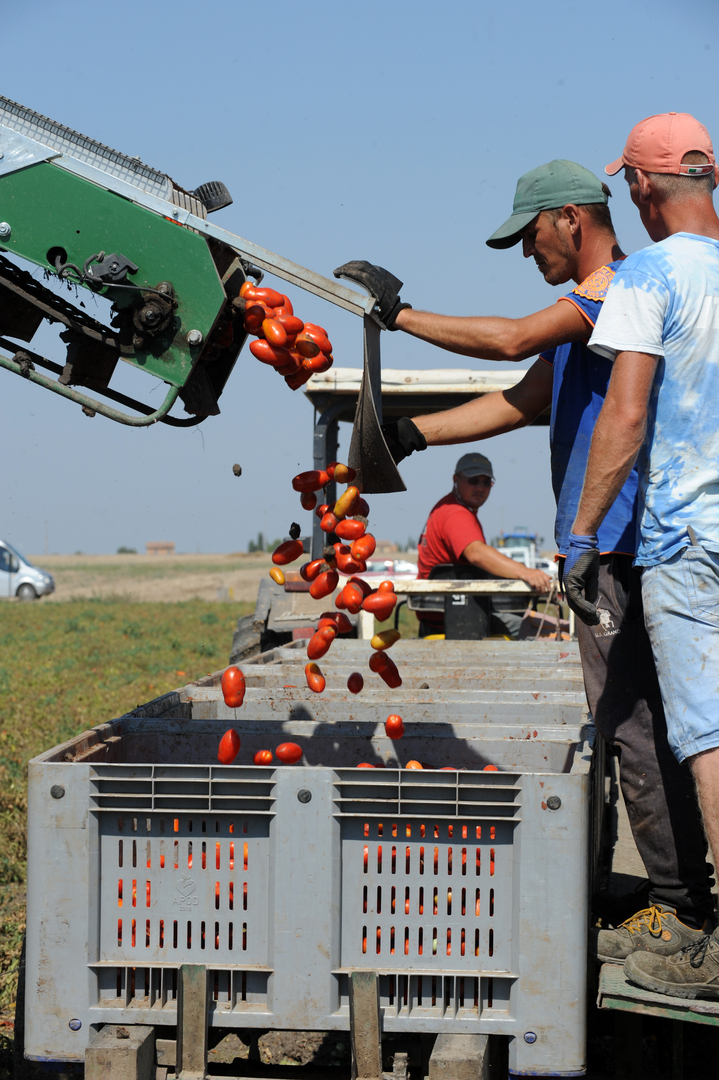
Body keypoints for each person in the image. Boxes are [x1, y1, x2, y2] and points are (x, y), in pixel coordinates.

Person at [335, 158, 714, 957]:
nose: (524, 251)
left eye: (529, 234)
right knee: (637, 722)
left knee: (633, 723)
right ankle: (676, 892)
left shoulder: (616, 289)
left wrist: (398, 314)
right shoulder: (587, 322)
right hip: (606, 545)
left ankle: (681, 908)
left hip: (618, 543)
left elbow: (510, 339)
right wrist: (410, 434)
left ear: (570, 218)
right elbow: (521, 399)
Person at [566, 112, 719, 998]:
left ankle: (709, 947)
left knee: (705, 736)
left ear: (639, 186)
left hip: (689, 540)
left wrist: (582, 537)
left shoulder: (649, 275)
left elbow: (624, 415)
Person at [416, 450, 552, 638]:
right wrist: (526, 572)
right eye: (473, 481)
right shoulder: (455, 513)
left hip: (450, 612)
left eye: (486, 482)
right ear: (456, 479)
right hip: (456, 617)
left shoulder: (447, 508)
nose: (480, 488)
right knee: (547, 631)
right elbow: (476, 553)